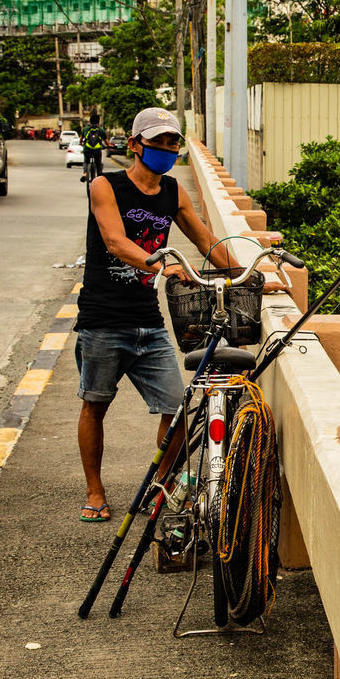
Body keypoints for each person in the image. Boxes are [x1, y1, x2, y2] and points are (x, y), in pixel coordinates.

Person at [75, 107, 236, 522]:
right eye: (157, 142)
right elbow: (113, 241)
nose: (166, 150)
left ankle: (161, 489)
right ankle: (95, 491)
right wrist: (160, 264)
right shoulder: (105, 186)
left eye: (172, 143)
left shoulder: (173, 192)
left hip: (148, 319)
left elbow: (206, 241)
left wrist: (245, 276)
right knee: (95, 404)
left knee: (177, 407)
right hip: (103, 317)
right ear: (135, 145)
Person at [79, 112, 107, 183]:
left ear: (90, 121)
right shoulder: (101, 130)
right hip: (97, 150)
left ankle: (85, 174)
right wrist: (108, 146)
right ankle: (100, 175)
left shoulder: (86, 129)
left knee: (86, 161)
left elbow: (81, 139)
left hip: (87, 149)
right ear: (98, 122)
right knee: (98, 163)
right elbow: (106, 141)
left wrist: (81, 144)